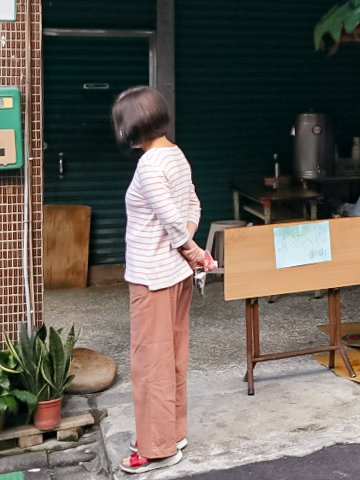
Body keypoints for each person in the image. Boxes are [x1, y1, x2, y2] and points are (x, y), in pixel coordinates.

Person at [112, 86, 215, 474]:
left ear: (133, 125)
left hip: (152, 277)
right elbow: (192, 206)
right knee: (172, 356)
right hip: (176, 275)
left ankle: (158, 448)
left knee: (150, 364)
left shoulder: (150, 164)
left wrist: (192, 251)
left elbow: (171, 218)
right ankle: (173, 431)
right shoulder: (176, 154)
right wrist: (193, 251)